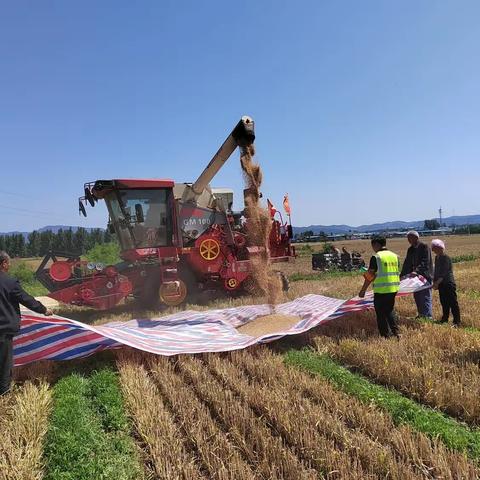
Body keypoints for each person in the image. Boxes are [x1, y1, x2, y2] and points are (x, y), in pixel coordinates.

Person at [0, 251, 53, 395]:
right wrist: (43, 310)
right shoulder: (9, 282)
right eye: (8, 263)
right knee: (4, 364)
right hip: (3, 331)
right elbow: (27, 299)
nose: (9, 265)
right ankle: (4, 393)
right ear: (4, 263)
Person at [358, 236, 401, 338]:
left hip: (381, 290)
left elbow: (370, 276)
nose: (373, 248)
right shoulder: (395, 256)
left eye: (373, 245)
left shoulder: (376, 257)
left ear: (376, 244)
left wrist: (363, 290)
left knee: (381, 314)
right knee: (389, 311)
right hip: (393, 288)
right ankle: (396, 333)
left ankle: (385, 335)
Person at [400, 231, 433, 319]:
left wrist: (417, 271)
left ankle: (428, 316)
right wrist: (402, 275)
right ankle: (421, 314)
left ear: (416, 238)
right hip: (414, 278)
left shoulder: (424, 247)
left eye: (410, 238)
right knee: (417, 296)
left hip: (425, 276)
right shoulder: (410, 249)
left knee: (425, 296)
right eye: (408, 238)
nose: (408, 240)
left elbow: (426, 261)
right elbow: (407, 263)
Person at [431, 239, 460, 327]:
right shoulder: (437, 258)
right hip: (441, 284)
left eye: (435, 248)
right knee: (444, 302)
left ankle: (457, 322)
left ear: (440, 248)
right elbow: (436, 271)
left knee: (453, 303)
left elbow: (444, 273)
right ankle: (444, 319)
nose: (433, 250)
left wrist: (436, 283)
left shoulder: (446, 258)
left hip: (448, 283)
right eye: (433, 248)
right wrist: (434, 281)